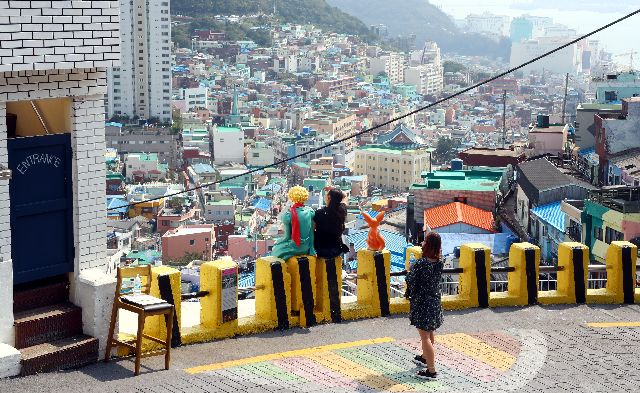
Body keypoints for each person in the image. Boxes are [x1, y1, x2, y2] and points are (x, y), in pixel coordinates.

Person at [405, 232, 444, 379]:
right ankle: (425, 357)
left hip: (422, 304)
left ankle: (431, 370)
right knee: (430, 332)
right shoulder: (439, 262)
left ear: (427, 245)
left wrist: (410, 269)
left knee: (425, 337)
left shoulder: (421, 264)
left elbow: (411, 280)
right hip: (434, 302)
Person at [271, 186, 316, 261]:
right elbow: (311, 233)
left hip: (295, 247)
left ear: (292, 197)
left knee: (276, 249)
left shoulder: (288, 215)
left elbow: (287, 237)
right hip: (306, 247)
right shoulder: (310, 211)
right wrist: (311, 249)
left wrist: (278, 242)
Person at [313, 188, 349, 259]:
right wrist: (335, 190)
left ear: (329, 197)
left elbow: (312, 229)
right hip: (336, 250)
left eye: (326, 193)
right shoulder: (342, 210)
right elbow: (345, 195)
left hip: (320, 250)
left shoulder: (319, 213)